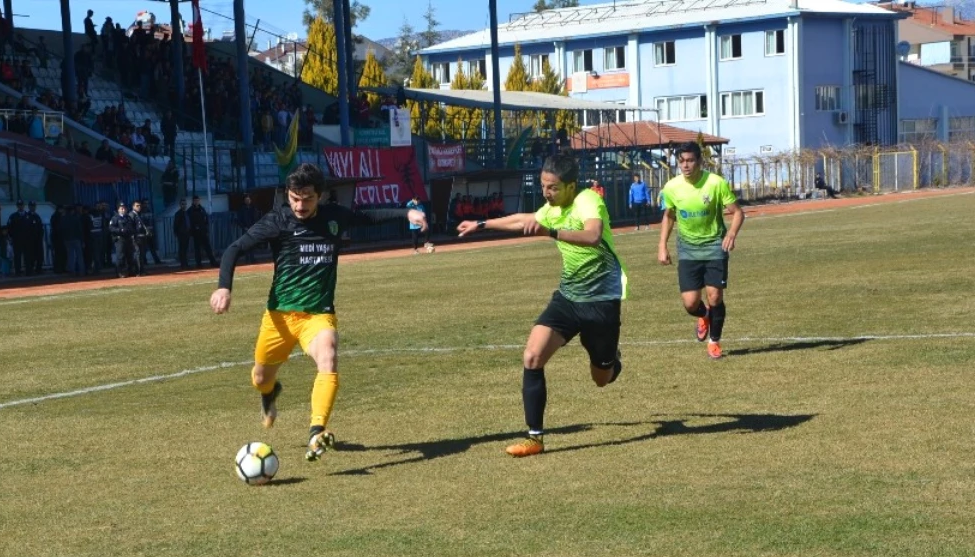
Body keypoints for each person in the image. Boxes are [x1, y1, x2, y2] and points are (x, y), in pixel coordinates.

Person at [209, 163, 428, 463]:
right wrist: (224, 288)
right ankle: (269, 393)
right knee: (260, 378)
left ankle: (316, 432)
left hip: (317, 316)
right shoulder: (278, 221)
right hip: (279, 319)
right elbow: (235, 248)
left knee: (329, 357)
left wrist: (407, 213)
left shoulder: (334, 217)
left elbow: (369, 217)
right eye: (294, 198)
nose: (300, 205)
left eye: (307, 198)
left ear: (320, 196)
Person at [456, 153, 627, 458]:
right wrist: (481, 223)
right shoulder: (552, 209)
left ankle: (612, 360)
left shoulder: (587, 199)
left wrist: (551, 232)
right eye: (543, 185)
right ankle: (535, 438)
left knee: (601, 379)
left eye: (553, 187)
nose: (546, 192)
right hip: (568, 298)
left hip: (601, 301)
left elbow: (592, 235)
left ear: (571, 186)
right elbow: (524, 219)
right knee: (532, 356)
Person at [657, 140, 745, 361]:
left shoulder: (715, 183)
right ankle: (704, 315)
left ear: (700, 161)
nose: (685, 165)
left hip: (715, 245)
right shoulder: (671, 187)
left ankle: (714, 342)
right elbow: (668, 216)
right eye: (681, 161)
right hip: (687, 248)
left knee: (715, 296)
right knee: (690, 303)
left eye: (690, 160)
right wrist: (662, 246)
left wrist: (731, 234)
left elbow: (737, 212)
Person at [186, 195, 218, 268]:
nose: (197, 202)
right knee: (197, 249)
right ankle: (199, 264)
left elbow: (206, 219)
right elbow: (189, 222)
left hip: (203, 232)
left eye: (198, 200)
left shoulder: (202, 209)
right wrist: (193, 230)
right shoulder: (190, 210)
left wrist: (206, 228)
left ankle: (213, 262)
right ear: (193, 201)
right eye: (195, 200)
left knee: (208, 248)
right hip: (196, 233)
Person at [130, 199, 160, 273]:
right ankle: (138, 270)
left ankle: (141, 270)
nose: (139, 207)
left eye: (139, 205)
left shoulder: (138, 214)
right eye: (137, 206)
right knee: (138, 254)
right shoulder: (132, 215)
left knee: (142, 253)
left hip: (142, 236)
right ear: (133, 206)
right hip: (137, 237)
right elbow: (131, 227)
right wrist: (134, 236)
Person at [109, 200, 137, 277]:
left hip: (128, 238)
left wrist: (131, 231)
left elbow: (133, 226)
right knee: (120, 256)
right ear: (118, 209)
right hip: (120, 239)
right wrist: (119, 230)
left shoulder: (128, 218)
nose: (123, 210)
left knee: (129, 255)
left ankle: (131, 271)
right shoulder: (115, 218)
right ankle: (120, 272)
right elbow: (111, 228)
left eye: (124, 208)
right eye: (121, 208)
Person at [7, 200, 28, 275]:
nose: (20, 206)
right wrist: (11, 238)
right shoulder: (13, 216)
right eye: (19, 205)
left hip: (27, 240)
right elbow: (9, 228)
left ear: (23, 205)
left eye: (21, 205)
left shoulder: (28, 215)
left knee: (28, 256)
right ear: (17, 206)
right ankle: (18, 272)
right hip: (17, 240)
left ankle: (28, 271)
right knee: (17, 256)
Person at [26, 200, 45, 271]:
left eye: (34, 206)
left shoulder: (37, 216)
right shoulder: (27, 216)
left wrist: (40, 236)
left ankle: (38, 269)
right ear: (29, 207)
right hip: (30, 240)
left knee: (39, 255)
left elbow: (41, 227)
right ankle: (30, 269)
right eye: (31, 206)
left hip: (38, 239)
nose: (33, 208)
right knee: (31, 255)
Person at [172, 199, 191, 268]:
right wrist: (176, 233)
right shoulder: (178, 214)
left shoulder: (187, 213)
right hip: (181, 234)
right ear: (180, 205)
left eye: (185, 204)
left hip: (187, 233)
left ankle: (185, 263)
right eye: (183, 204)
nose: (184, 205)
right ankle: (183, 264)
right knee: (182, 249)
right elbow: (175, 224)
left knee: (185, 249)